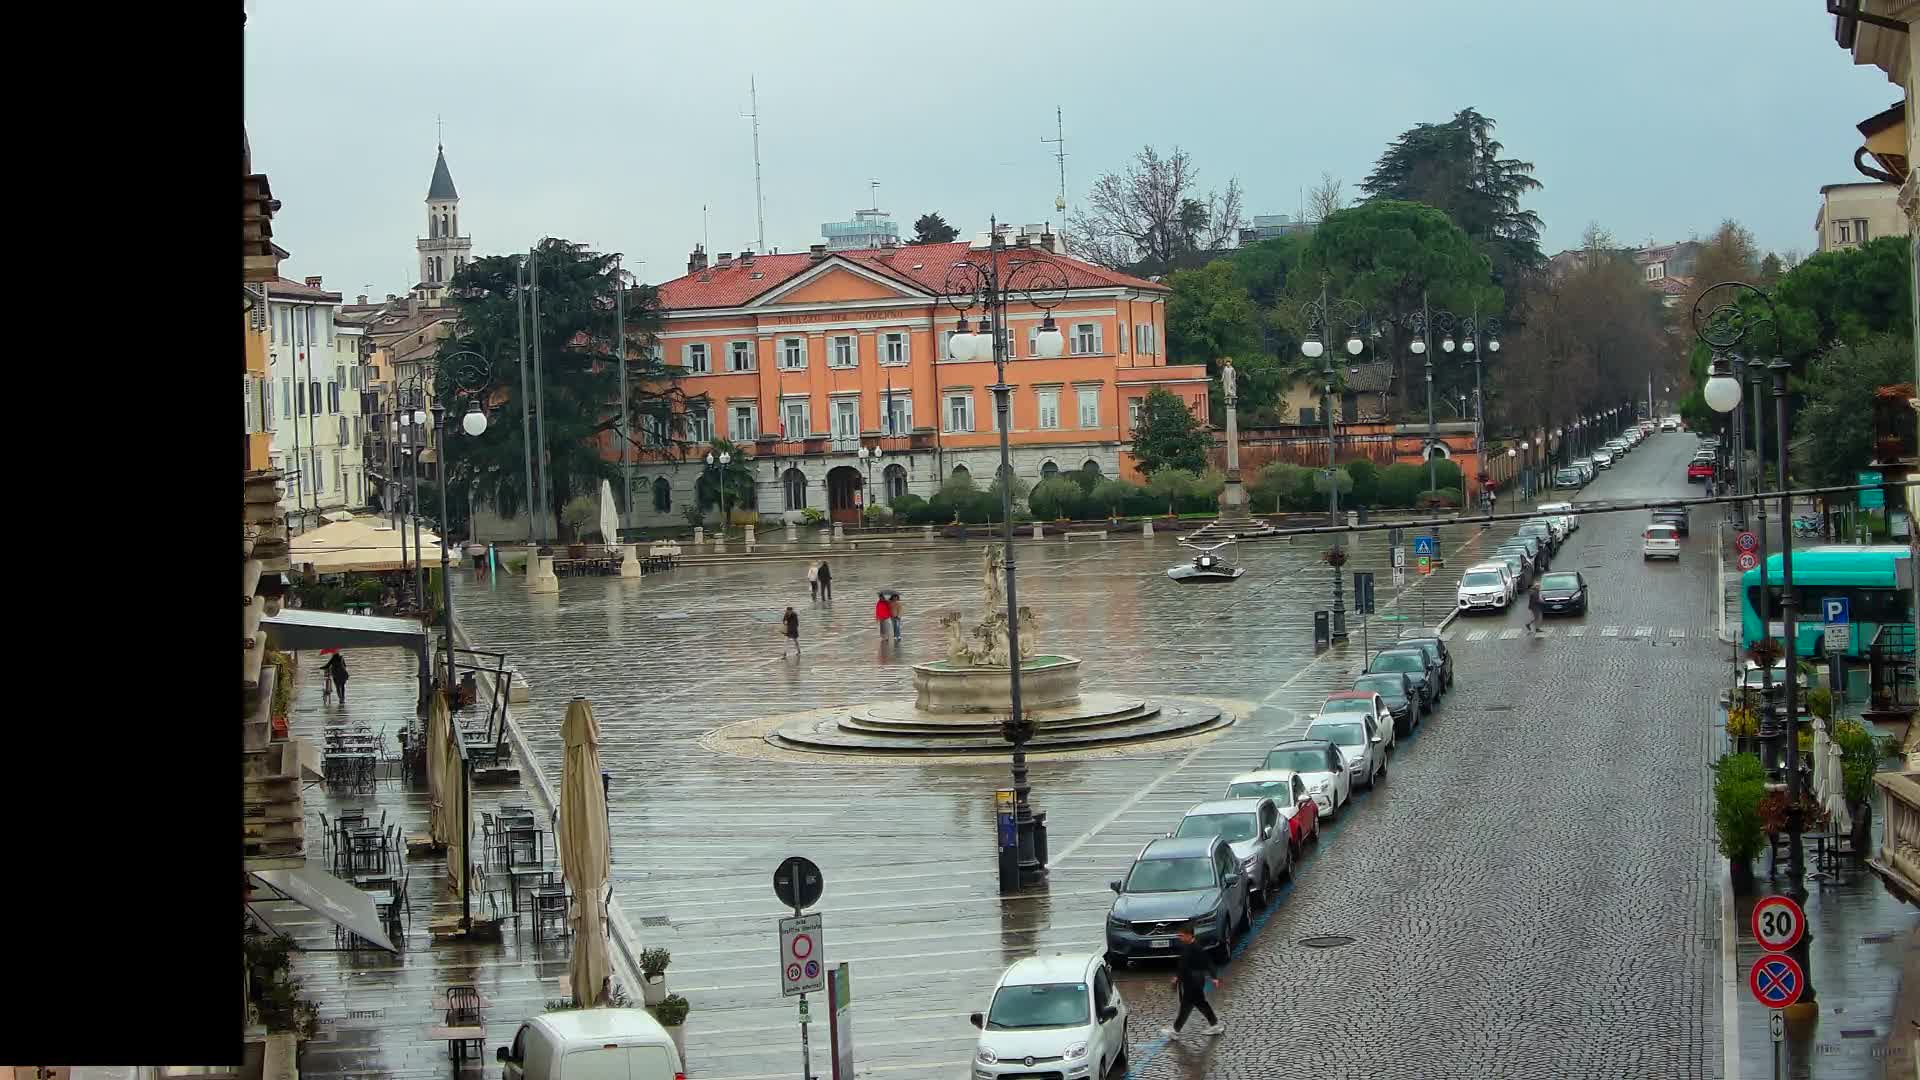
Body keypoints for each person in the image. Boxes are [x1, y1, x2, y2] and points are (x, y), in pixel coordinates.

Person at [1162, 923, 1224, 1037]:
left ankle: (1175, 1030)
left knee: (1188, 1005)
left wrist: (1214, 977)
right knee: (1199, 1003)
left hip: (1193, 981)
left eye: (1181, 936)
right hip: (1192, 980)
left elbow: (1207, 962)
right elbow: (1183, 965)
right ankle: (1214, 1025)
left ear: (1189, 935)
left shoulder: (1195, 948)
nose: (1179, 938)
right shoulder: (1189, 946)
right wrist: (1177, 977)